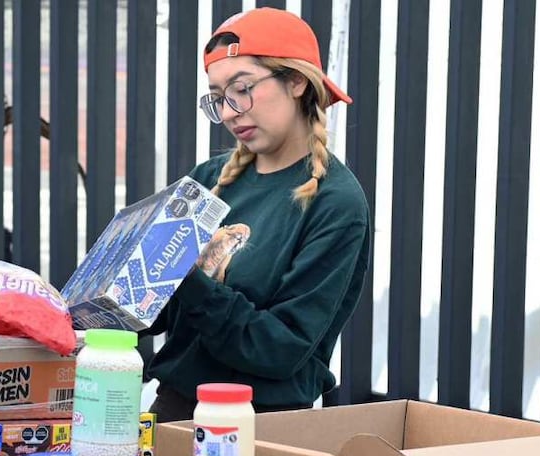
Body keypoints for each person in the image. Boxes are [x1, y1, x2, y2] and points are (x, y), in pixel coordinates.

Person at [144, 8, 372, 420]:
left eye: (242, 89)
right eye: (217, 98)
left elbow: (279, 349)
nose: (229, 112)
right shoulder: (210, 179)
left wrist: (187, 280)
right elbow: (157, 313)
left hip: (261, 426)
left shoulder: (336, 203)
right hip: (172, 412)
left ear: (297, 81)